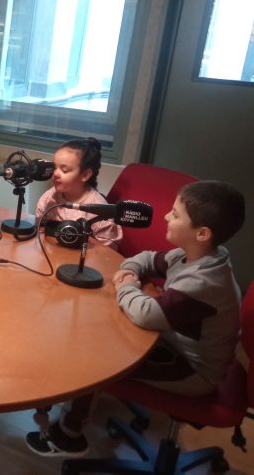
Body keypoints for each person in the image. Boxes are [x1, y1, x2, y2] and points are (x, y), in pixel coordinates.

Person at [26, 180, 246, 457]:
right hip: (175, 344)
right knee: (100, 328)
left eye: (175, 214)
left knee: (93, 357)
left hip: (194, 371)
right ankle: (68, 399)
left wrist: (126, 285)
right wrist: (130, 272)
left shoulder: (204, 281)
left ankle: (68, 436)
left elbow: (145, 314)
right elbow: (146, 259)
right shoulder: (195, 255)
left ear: (202, 233)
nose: (165, 217)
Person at [36, 137, 122, 249]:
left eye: (64, 170)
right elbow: (39, 229)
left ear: (85, 175)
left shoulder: (98, 209)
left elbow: (107, 251)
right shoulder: (49, 198)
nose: (55, 174)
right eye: (54, 167)